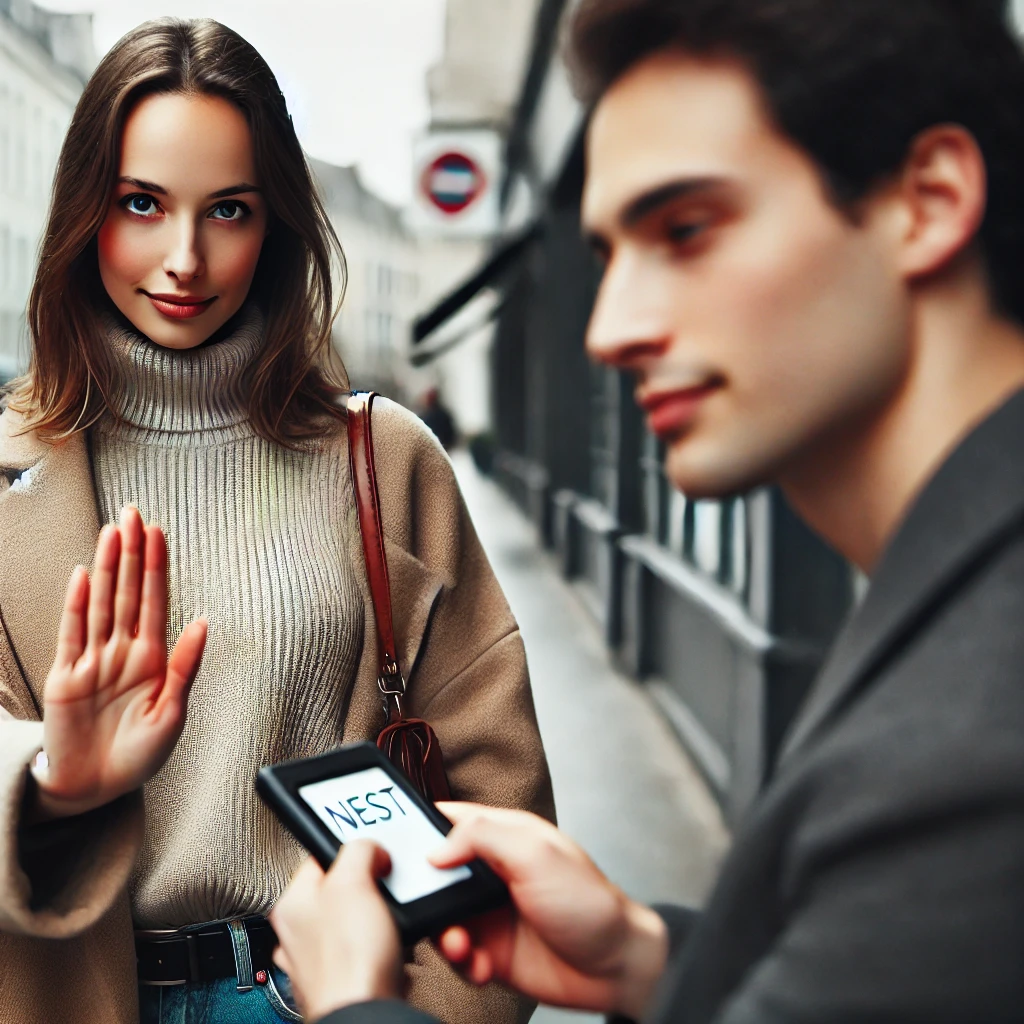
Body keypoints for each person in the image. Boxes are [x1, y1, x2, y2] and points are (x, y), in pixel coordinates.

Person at [269, 0, 1024, 1021]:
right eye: (610, 250)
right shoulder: (961, 592)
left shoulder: (969, 739)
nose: (612, 328)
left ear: (927, 201)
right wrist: (646, 956)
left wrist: (354, 1001)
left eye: (686, 228)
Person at [0, 18, 554, 1024]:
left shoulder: (382, 462)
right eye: (141, 203)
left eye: (229, 210)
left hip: (317, 995)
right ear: (87, 210)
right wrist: (47, 782)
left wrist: (408, 1014)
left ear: (277, 224)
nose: (184, 257)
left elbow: (497, 801)